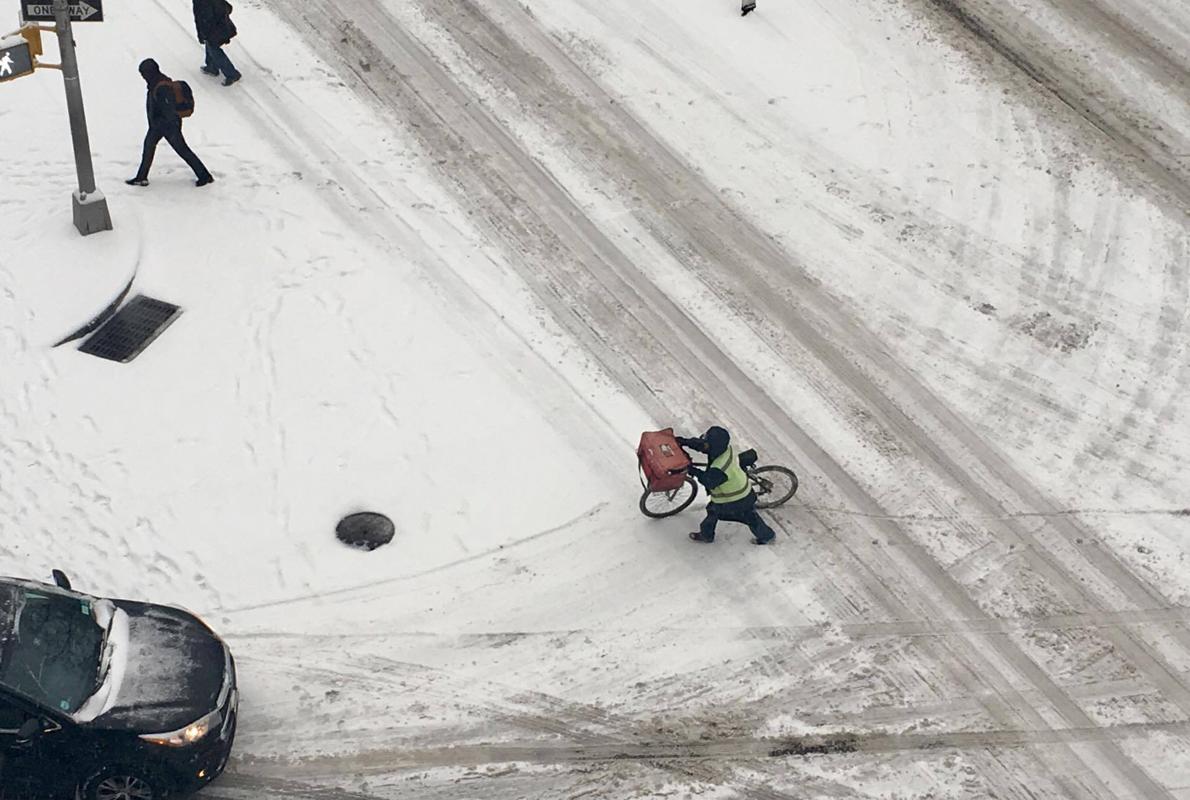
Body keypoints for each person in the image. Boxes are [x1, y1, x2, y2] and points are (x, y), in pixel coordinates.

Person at [677, 426, 775, 544]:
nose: (705, 445)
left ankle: (766, 536)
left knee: (722, 512)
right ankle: (707, 534)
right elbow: (703, 445)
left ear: (714, 446)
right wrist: (684, 441)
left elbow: (708, 481)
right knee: (745, 515)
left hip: (737, 497)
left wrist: (692, 470)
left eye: (707, 443)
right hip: (739, 484)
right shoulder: (724, 449)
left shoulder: (720, 467)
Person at [126, 59, 214, 188]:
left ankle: (205, 176)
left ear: (149, 72)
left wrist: (164, 125)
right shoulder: (157, 82)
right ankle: (141, 177)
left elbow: (168, 109)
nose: (143, 76)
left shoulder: (161, 87)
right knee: (149, 148)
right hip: (160, 125)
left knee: (182, 150)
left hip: (166, 126)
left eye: (143, 73)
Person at [194, 0, 241, 86]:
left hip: (214, 31)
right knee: (210, 45)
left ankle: (232, 74)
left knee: (214, 50)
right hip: (222, 26)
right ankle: (211, 66)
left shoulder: (200, 2)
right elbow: (228, 7)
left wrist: (202, 34)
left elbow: (202, 19)